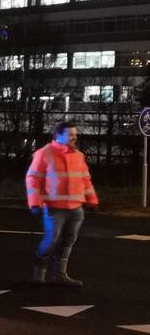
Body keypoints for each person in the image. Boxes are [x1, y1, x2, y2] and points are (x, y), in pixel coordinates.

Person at [26, 121, 98, 286]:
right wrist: (35, 203)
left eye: (75, 134)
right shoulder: (45, 153)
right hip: (54, 208)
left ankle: (60, 275)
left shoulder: (78, 155)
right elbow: (33, 178)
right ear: (58, 136)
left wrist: (92, 200)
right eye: (71, 134)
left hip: (76, 208)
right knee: (52, 240)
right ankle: (39, 274)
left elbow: (86, 180)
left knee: (69, 240)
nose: (75, 137)